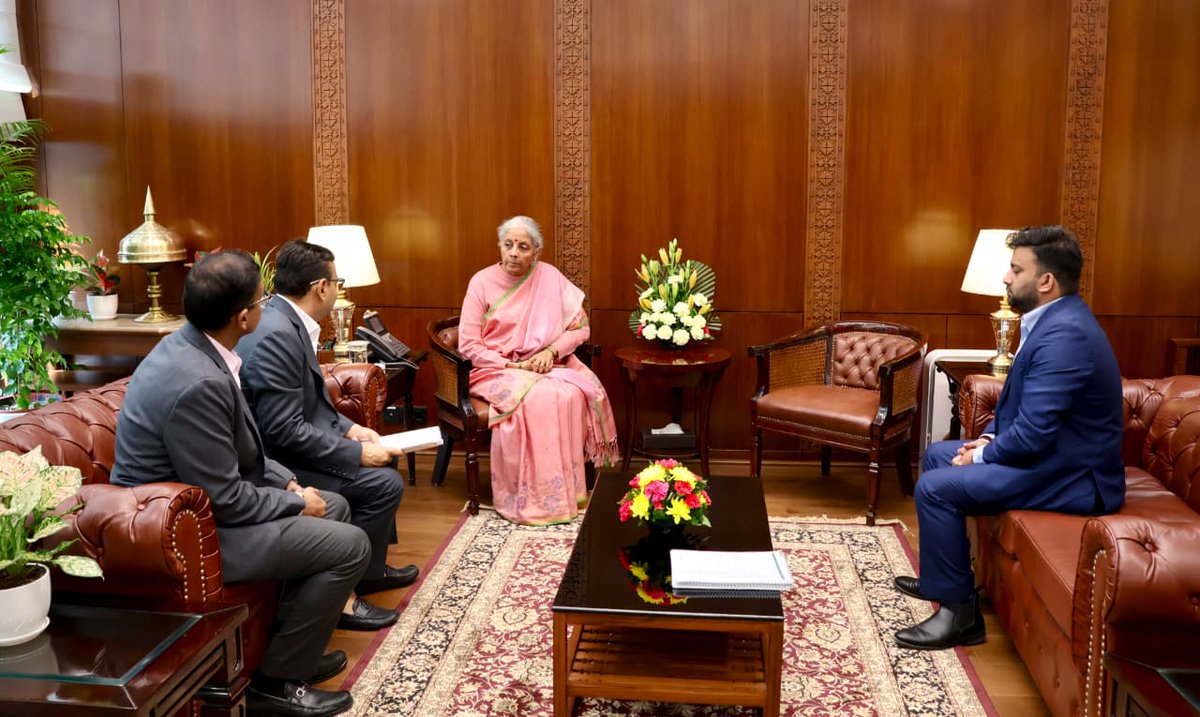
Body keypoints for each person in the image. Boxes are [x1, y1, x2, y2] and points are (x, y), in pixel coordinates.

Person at [112, 251, 364, 716]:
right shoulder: (197, 382)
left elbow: (240, 451)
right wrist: (292, 505)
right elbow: (223, 500)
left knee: (336, 506)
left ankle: (293, 655)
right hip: (187, 536)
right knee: (350, 545)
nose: (266, 307)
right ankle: (275, 684)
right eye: (260, 300)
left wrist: (287, 483)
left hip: (207, 509)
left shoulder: (197, 348)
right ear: (243, 316)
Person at [894, 225, 1124, 651]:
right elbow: (1023, 408)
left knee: (936, 488)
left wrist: (983, 457)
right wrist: (989, 442)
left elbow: (1036, 432)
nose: (1005, 278)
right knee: (939, 456)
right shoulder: (1055, 319)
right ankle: (939, 580)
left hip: (1073, 477)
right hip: (1052, 458)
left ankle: (959, 615)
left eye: (1015, 270)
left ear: (1045, 281)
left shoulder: (1067, 335)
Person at [236, 240, 418, 630]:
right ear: (321, 287)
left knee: (384, 468)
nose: (337, 290)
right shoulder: (276, 335)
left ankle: (370, 572)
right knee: (382, 483)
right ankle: (346, 596)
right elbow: (282, 430)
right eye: (338, 282)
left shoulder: (285, 320)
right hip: (281, 463)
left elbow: (312, 403)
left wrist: (352, 429)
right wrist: (353, 455)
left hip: (297, 447)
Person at [458, 215, 620, 525]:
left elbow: (580, 329)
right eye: (508, 245)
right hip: (495, 368)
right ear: (500, 247)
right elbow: (469, 345)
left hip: (546, 364)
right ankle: (527, 498)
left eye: (522, 246)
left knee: (570, 394)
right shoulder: (480, 282)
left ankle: (566, 494)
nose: (514, 253)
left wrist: (550, 351)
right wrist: (512, 365)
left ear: (537, 252)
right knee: (537, 398)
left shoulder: (550, 278)